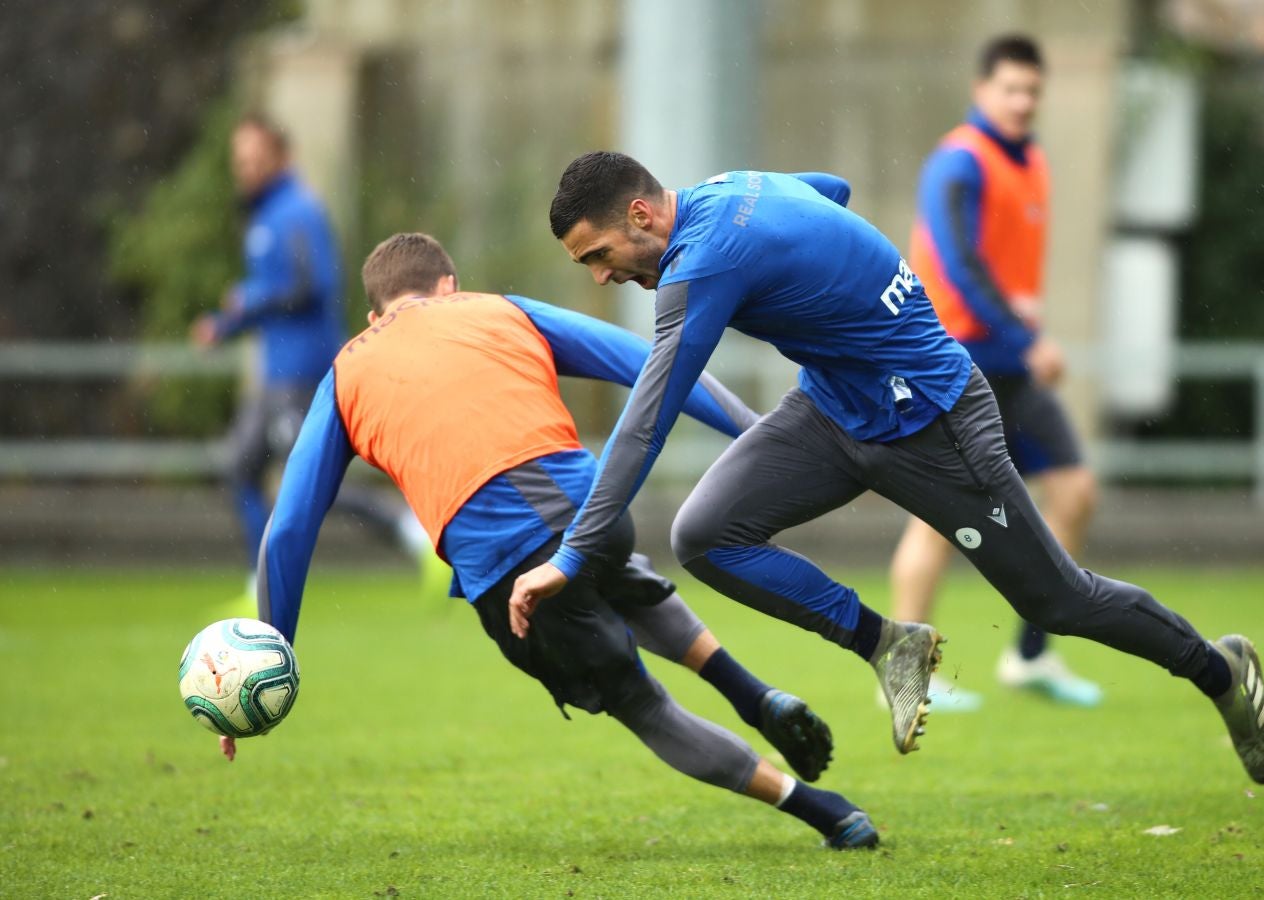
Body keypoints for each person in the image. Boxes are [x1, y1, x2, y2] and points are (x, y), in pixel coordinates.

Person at [516, 152, 1264, 785]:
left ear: (642, 216)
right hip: (833, 410)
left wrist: (574, 554)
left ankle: (1219, 671)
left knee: (1059, 601)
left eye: (599, 255)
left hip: (934, 423)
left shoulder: (706, 258)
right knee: (708, 533)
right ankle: (889, 644)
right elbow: (829, 194)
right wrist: (844, 297)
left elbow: (646, 417)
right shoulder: (732, 190)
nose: (601, 276)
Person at [229, 232, 879, 849]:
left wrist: (272, 655)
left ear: (373, 316)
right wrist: (757, 432)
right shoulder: (498, 309)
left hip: (509, 567)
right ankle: (752, 694)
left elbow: (288, 527)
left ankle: (826, 812)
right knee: (620, 578)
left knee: (643, 705)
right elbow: (650, 362)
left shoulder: (347, 373)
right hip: (596, 508)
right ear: (448, 286)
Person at [894, 35, 1100, 712]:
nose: (1022, 102)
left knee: (1074, 493)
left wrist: (1021, 334)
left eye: (1032, 92)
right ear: (981, 91)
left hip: (1011, 366)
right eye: (1010, 89)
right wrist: (1024, 332)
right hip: (957, 362)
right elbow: (959, 265)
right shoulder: (958, 163)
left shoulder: (1032, 160)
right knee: (939, 521)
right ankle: (908, 672)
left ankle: (1031, 656)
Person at [190, 116, 439, 599]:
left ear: (281, 157)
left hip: (303, 373)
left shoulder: (299, 212)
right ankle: (258, 580)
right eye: (240, 160)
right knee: (241, 466)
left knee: (310, 480)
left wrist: (250, 301)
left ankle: (413, 533)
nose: (246, 168)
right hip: (273, 376)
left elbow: (314, 286)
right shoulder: (263, 217)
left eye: (255, 158)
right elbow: (271, 299)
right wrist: (227, 326)